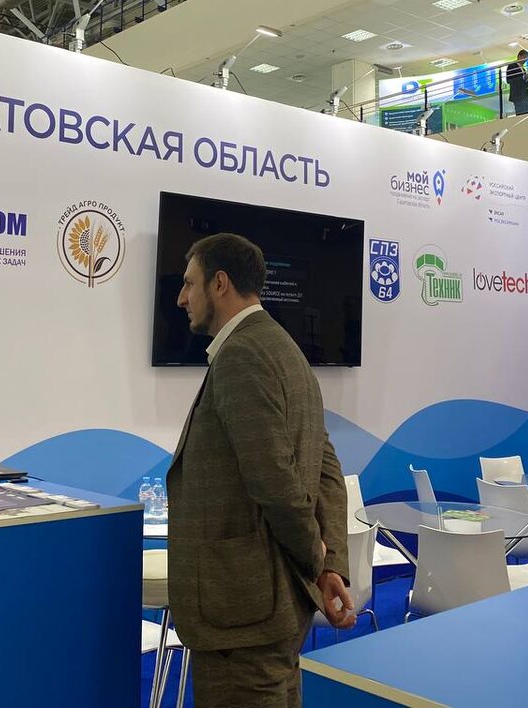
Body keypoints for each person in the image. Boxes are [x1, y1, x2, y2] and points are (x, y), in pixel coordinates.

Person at [167, 233, 353, 708]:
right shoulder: (286, 349)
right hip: (270, 608)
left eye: (190, 283)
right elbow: (326, 466)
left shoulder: (242, 355)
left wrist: (318, 558)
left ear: (220, 283)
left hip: (242, 615)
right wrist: (329, 564)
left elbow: (275, 484)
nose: (182, 298)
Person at [506, 48, 528, 116]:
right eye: (524, 57)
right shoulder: (512, 66)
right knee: (521, 114)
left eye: (526, 58)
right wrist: (523, 77)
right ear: (519, 56)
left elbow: (525, 84)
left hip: (525, 95)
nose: (525, 60)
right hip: (518, 95)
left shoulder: (523, 69)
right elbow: (509, 80)